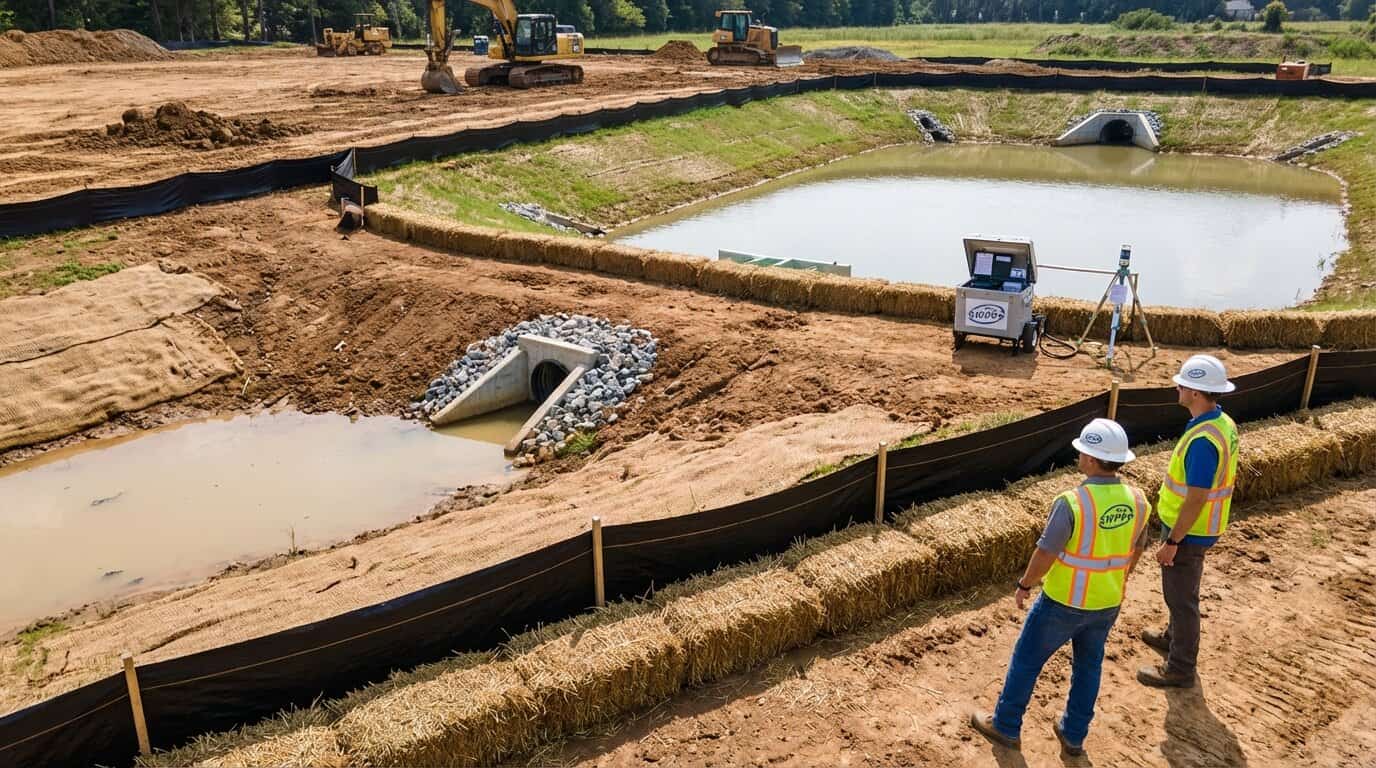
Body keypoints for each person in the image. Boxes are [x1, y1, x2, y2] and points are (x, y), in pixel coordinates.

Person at [970, 418, 1150, 756]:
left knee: (1026, 661)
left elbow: (1046, 552)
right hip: (1107, 602)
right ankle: (1074, 735)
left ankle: (1006, 726)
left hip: (1062, 601)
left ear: (1092, 460)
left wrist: (1025, 584)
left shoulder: (1072, 502)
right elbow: (1137, 546)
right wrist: (1121, 581)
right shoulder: (1139, 500)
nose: (1079, 456)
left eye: (1083, 451)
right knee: (1088, 667)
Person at [1137, 354, 1239, 689]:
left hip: (1190, 532)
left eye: (1183, 384)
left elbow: (1196, 496)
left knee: (1181, 599)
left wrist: (1173, 542)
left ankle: (1180, 667)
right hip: (1197, 527)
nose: (1177, 387)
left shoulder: (1203, 441)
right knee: (1178, 593)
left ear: (1196, 393)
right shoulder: (1219, 423)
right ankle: (1172, 638)